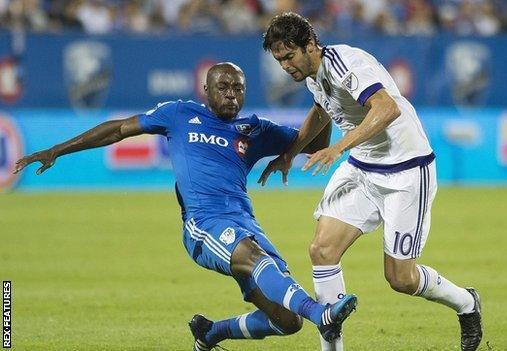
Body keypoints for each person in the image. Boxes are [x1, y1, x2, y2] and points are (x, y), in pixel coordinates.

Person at [13, 62, 358, 351]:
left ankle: (210, 333)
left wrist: (322, 102)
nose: (231, 94)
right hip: (203, 224)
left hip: (246, 226)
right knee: (259, 262)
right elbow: (118, 129)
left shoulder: (254, 129)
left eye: (238, 88)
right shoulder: (178, 114)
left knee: (287, 321)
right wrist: (56, 149)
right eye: (223, 87)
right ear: (205, 91)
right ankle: (322, 315)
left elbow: (315, 144)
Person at [259, 12, 482, 351]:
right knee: (321, 249)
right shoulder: (311, 74)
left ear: (310, 46)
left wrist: (337, 148)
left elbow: (387, 108)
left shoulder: (347, 63)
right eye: (279, 60)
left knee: (401, 278)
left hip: (406, 170)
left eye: (289, 56)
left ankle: (466, 302)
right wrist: (292, 153)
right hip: (363, 168)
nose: (286, 66)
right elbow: (322, 109)